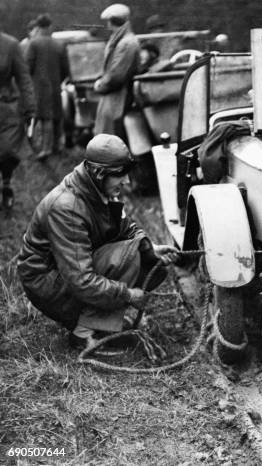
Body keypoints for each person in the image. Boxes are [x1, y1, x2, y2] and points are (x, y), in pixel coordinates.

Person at [17, 134, 179, 350]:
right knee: (129, 256)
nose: (127, 181)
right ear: (98, 172)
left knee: (142, 254)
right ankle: (83, 334)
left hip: (65, 270)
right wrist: (127, 295)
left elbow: (124, 228)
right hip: (46, 281)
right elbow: (81, 279)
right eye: (120, 175)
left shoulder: (97, 188)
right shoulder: (67, 208)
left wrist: (152, 249)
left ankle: (99, 324)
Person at [0, 24, 36, 210]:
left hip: (6, 107)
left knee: (7, 151)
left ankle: (6, 182)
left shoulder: (10, 45)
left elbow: (24, 79)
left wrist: (30, 108)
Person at [26, 14, 69, 161]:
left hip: (39, 88)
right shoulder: (59, 44)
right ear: (50, 26)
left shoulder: (34, 44)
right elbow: (66, 69)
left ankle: (45, 148)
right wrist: (57, 80)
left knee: (44, 118)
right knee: (56, 116)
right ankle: (57, 146)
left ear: (38, 27)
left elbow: (27, 67)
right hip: (55, 86)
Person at [93, 3, 139, 137]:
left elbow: (117, 76)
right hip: (115, 94)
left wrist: (100, 85)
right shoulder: (122, 40)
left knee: (110, 134)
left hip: (118, 96)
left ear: (111, 22)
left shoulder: (125, 43)